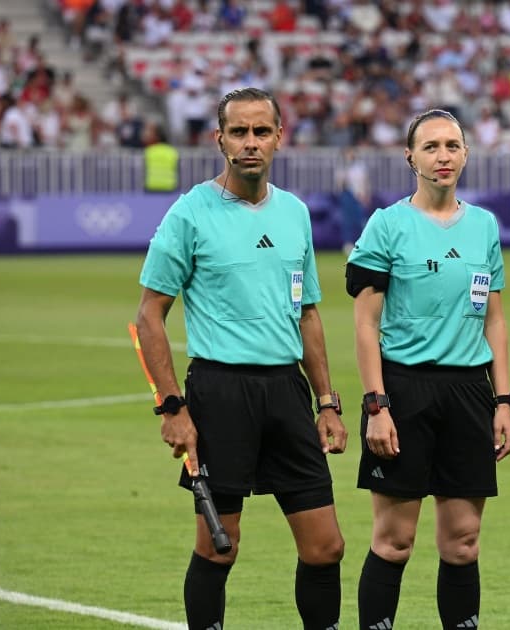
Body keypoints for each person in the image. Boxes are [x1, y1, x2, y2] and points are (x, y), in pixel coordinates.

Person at [135, 87, 347, 630]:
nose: (250, 143)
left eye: (261, 131)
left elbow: (308, 315)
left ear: (280, 136)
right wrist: (172, 407)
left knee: (326, 547)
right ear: (219, 139)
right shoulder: (189, 214)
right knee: (218, 547)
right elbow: (149, 317)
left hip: (287, 393)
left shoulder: (295, 213)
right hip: (220, 392)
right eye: (239, 132)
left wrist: (326, 401)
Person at [345, 109, 510, 630]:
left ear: (466, 153)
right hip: (403, 390)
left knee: (463, 543)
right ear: (410, 157)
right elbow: (364, 324)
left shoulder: (484, 225)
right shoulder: (387, 224)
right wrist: (376, 405)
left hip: (469, 392)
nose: (443, 156)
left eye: (452, 145)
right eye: (432, 147)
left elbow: (495, 320)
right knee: (394, 542)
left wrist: (504, 400)